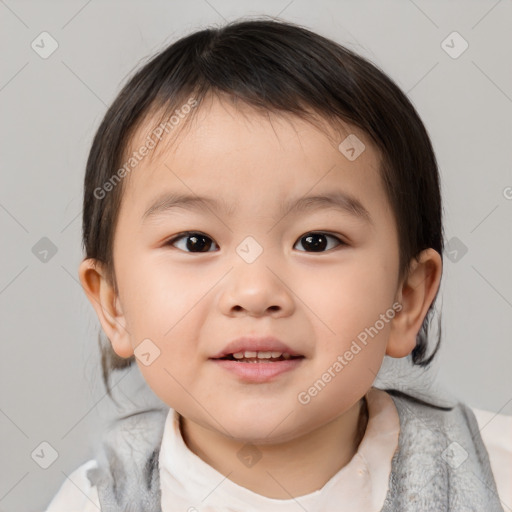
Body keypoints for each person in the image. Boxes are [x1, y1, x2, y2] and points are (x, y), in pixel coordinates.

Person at [45, 18, 511, 512]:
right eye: (196, 242)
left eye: (316, 241)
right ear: (115, 305)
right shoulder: (96, 501)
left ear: (407, 300)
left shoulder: (495, 474)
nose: (254, 291)